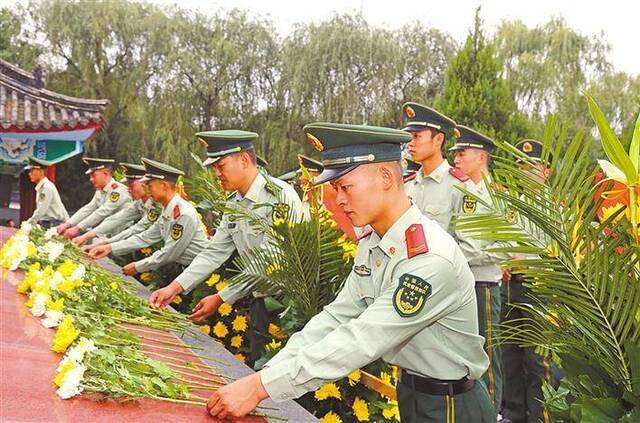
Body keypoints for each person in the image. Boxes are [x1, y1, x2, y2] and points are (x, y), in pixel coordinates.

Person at [204, 122, 495, 422]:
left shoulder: (429, 258)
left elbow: (362, 338)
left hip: (451, 407)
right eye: (335, 188)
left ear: (384, 177)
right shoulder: (374, 242)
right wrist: (268, 374)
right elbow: (336, 317)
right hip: (414, 393)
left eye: (345, 187)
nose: (339, 200)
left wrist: (260, 388)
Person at [147, 129, 304, 364]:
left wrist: (221, 297)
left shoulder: (280, 197)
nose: (217, 174)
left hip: (292, 306)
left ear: (244, 160)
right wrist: (174, 288)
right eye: (214, 168)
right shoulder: (234, 203)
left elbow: (269, 259)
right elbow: (214, 251)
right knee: (260, 365)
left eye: (220, 166)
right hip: (261, 300)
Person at [501, 139, 556, 423]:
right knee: (509, 353)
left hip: (540, 288)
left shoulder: (556, 208)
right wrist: (502, 260)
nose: (525, 171)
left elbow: (560, 252)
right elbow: (501, 239)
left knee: (538, 360)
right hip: (511, 285)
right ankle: (512, 414)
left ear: (546, 170)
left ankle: (542, 416)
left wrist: (531, 263)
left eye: (532, 165)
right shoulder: (515, 205)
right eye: (522, 165)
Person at [450, 125, 504, 410]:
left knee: (488, 354)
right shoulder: (466, 192)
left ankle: (493, 411)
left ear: (481, 157)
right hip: (464, 283)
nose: (456, 158)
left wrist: (463, 255)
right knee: (466, 351)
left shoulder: (495, 195)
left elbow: (506, 244)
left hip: (483, 284)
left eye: (462, 152)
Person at [88, 158, 208, 282]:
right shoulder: (168, 210)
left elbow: (170, 253)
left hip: (202, 272)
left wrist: (138, 266)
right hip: (190, 270)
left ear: (164, 186)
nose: (147, 189)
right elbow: (145, 237)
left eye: (149, 185)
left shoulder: (183, 213)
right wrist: (110, 248)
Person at [402, 102, 469, 234]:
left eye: (417, 136)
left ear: (438, 139)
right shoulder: (407, 184)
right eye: (410, 137)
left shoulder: (460, 186)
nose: (410, 143)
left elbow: (466, 247)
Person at [73, 162, 156, 247]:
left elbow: (137, 228)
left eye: (131, 186)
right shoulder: (139, 203)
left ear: (145, 184)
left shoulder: (156, 206)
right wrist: (86, 236)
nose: (128, 190)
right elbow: (116, 219)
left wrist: (107, 244)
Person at [56, 157, 131, 239]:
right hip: (110, 236)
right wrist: (68, 224)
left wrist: (77, 228)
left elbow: (102, 212)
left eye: (94, 175)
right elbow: (87, 209)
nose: (91, 179)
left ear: (105, 174)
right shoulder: (100, 191)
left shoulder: (118, 190)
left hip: (124, 236)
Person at [23, 156, 69, 228]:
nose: (29, 174)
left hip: (53, 225)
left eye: (32, 171)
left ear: (41, 172)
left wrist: (28, 224)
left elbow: (41, 210)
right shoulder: (42, 187)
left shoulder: (46, 188)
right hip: (50, 224)